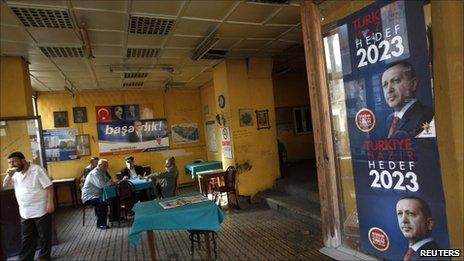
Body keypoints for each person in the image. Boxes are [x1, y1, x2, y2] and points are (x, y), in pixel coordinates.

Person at [2, 151, 54, 261]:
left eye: (14, 161)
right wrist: (8, 174)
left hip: (41, 209)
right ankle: (25, 258)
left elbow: (49, 187)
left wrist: (50, 203)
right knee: (27, 238)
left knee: (44, 236)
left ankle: (44, 257)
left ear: (23, 160)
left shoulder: (37, 170)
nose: (12, 165)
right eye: (10, 163)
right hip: (25, 212)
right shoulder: (15, 173)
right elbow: (5, 185)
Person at [381, 61, 434, 138]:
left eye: (396, 81)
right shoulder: (390, 119)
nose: (389, 90)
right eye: (385, 85)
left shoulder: (427, 116)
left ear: (413, 84)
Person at [396, 196, 439, 260]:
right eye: (400, 213)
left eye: (411, 213)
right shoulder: (410, 252)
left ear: (429, 224)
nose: (403, 220)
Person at [81, 159, 113, 229]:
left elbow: (108, 181)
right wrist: (110, 183)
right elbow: (101, 185)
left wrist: (111, 182)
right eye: (105, 166)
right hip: (89, 197)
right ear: (99, 165)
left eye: (107, 166)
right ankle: (100, 224)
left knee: (114, 197)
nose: (106, 168)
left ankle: (114, 217)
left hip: (98, 195)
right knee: (102, 203)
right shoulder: (94, 173)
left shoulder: (102, 172)